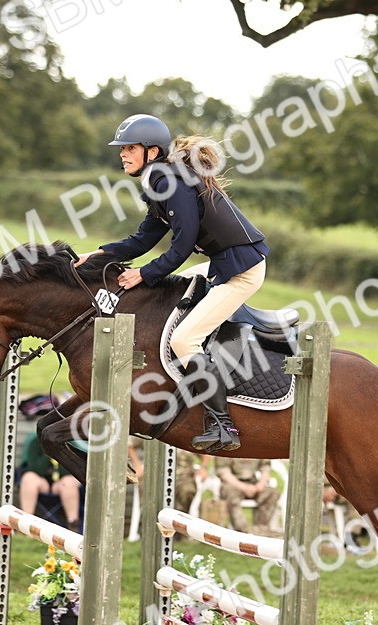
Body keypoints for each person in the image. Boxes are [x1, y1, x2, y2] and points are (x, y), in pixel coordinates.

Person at [76, 113, 269, 453]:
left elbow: (182, 245)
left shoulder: (172, 181)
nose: (123, 155)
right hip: (223, 264)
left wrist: (144, 273)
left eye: (130, 148)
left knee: (184, 339)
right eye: (122, 149)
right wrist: (100, 253)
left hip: (241, 272)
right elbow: (142, 239)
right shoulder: (160, 181)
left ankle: (223, 425)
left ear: (152, 151)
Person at [17, 431, 82, 530]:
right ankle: (26, 523)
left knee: (68, 482)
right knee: (29, 478)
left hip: (61, 482)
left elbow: (70, 470)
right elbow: (34, 468)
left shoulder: (70, 441)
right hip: (43, 481)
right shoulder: (35, 441)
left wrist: (59, 452)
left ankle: (73, 524)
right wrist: (49, 451)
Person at [215, 457, 279, 534]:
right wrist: (244, 487)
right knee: (231, 495)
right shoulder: (225, 446)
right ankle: (243, 532)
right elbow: (224, 473)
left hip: (252, 481)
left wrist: (261, 484)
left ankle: (261, 530)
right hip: (231, 484)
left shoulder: (259, 447)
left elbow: (265, 466)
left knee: (272, 493)